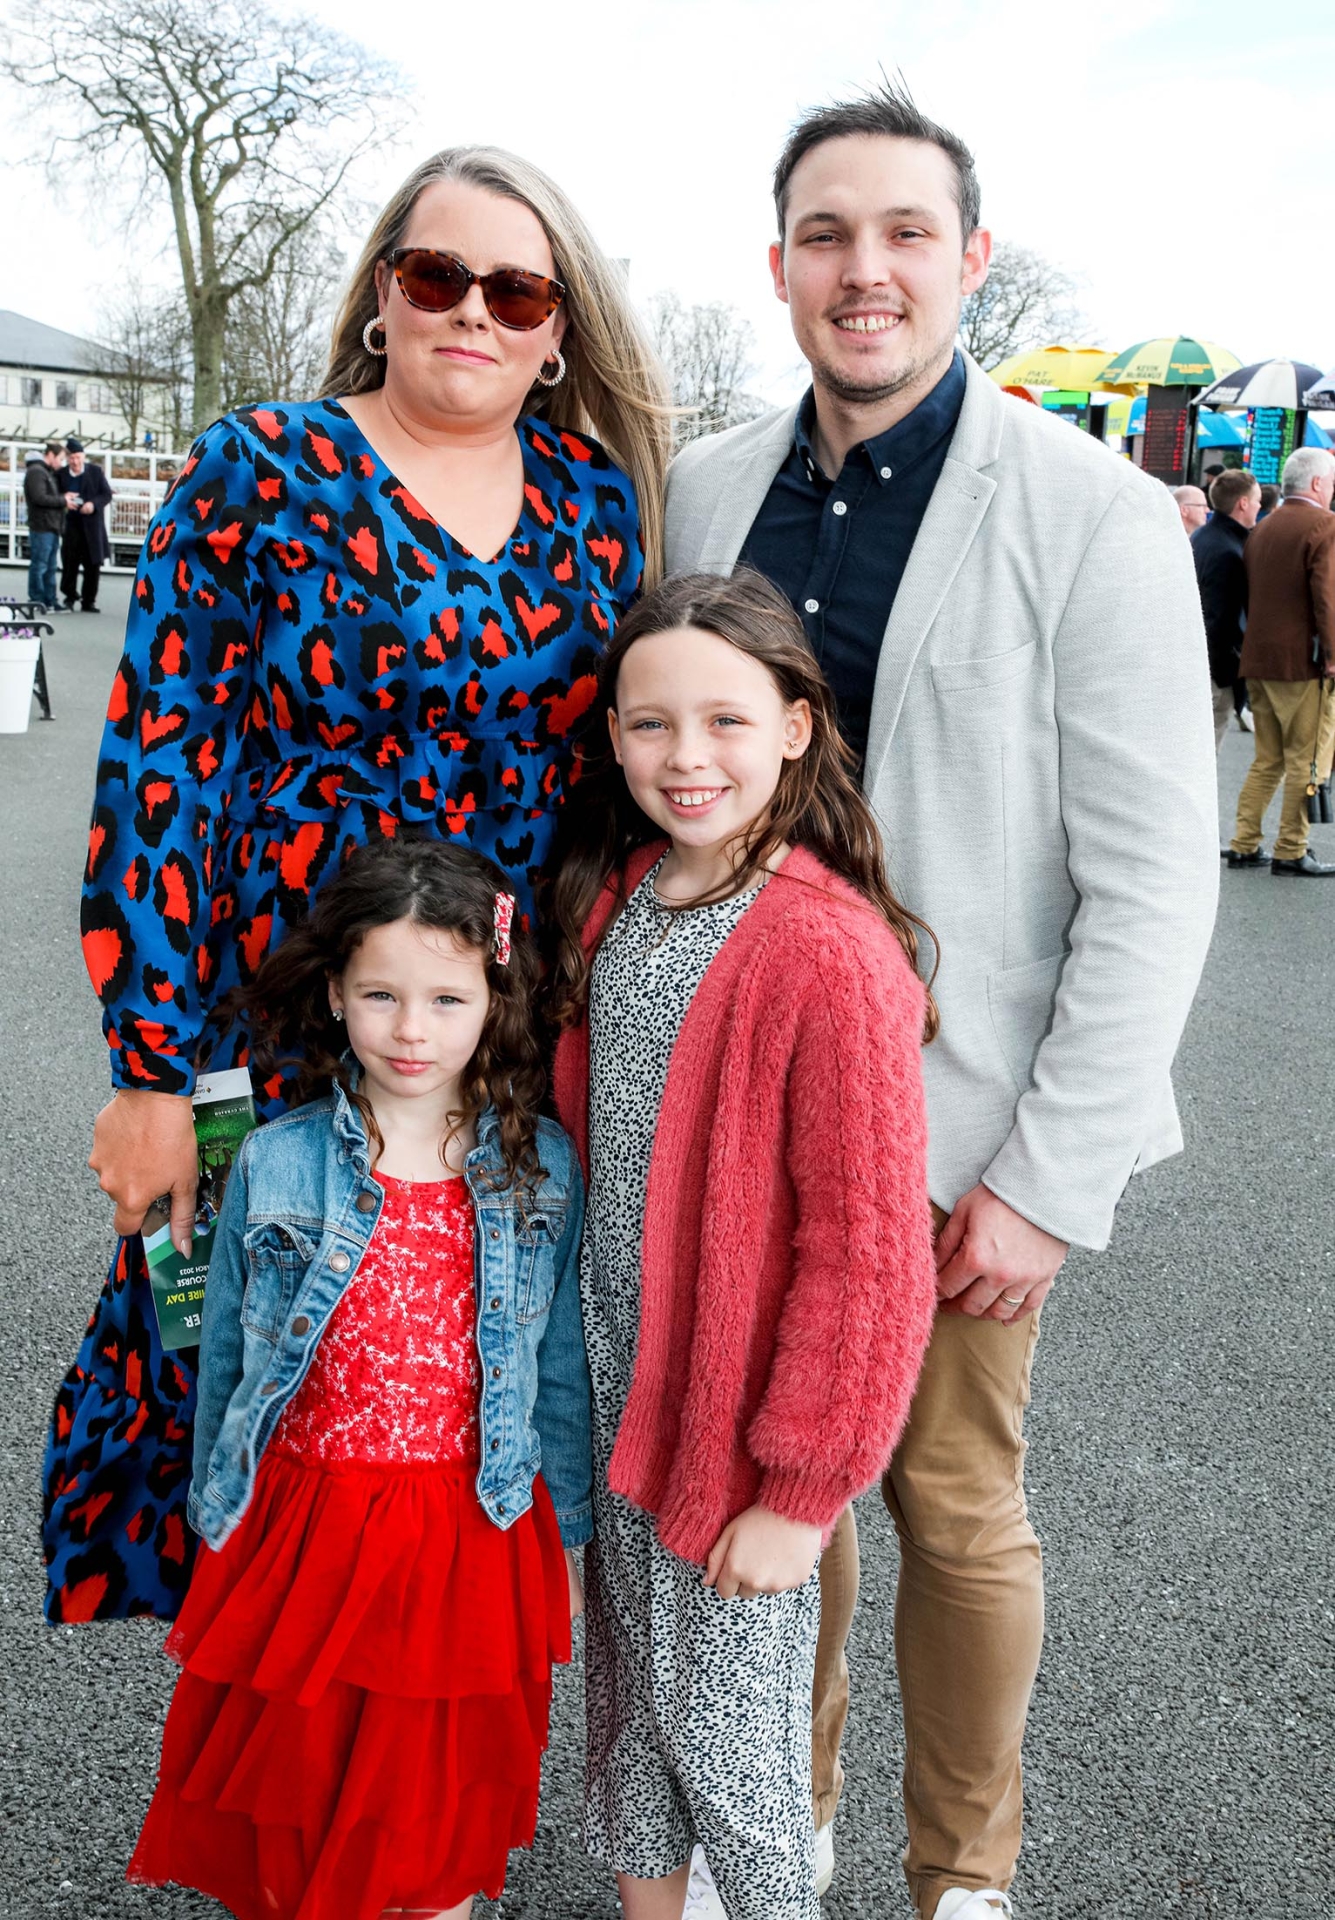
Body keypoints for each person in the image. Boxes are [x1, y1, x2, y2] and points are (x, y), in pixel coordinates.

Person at [664, 82, 1218, 1920]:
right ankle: (783, 1823)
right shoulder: (709, 484)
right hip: (742, 1094)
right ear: (780, 266)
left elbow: (1153, 880)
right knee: (763, 1501)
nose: (866, 269)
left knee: (951, 1509)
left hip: (964, 1123)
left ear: (968, 261)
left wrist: (1052, 1178)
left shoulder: (1099, 518)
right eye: (828, 234)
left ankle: (961, 1876)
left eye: (906, 233)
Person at [43, 144, 670, 1626]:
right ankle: (279, 1757)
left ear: (556, 328)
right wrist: (146, 1071)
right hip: (277, 1015)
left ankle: (409, 1747)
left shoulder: (590, 500)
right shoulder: (257, 469)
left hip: (485, 1030)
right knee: (261, 1373)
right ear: (383, 293)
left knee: (445, 1382)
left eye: (514, 289)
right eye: (435, 273)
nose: (472, 310)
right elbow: (158, 773)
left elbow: (610, 784)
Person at [548, 569, 938, 1920]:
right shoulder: (622, 899)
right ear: (609, 740)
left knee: (738, 1760)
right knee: (627, 1726)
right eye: (648, 725)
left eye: (723, 720)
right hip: (613, 1401)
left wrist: (802, 1487)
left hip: (725, 1439)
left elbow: (868, 1252)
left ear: (792, 723)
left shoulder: (825, 953)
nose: (684, 757)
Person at [128, 837, 590, 1920]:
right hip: (309, 1521)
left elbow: (554, 1369)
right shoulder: (276, 1163)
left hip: (467, 1529)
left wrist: (561, 1540)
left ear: (495, 997)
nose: (412, 1029)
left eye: (445, 997)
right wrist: (220, 1517)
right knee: (300, 1790)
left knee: (430, 1807)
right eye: (381, 994)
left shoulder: (541, 1169)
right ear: (335, 993)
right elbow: (235, 1364)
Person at [1227, 445, 1335, 877]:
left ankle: (1244, 842)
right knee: (1307, 759)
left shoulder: (1262, 528)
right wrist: (1331, 654)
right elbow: (1327, 598)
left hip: (1259, 657)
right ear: (1315, 483)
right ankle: (1292, 848)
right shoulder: (1324, 526)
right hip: (1302, 663)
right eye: (1330, 481)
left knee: (1266, 758)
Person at [1191, 469, 1260, 752]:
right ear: (1242, 503)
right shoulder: (1230, 552)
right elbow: (1221, 619)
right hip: (1215, 674)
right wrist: (1227, 674)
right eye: (1256, 500)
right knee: (1207, 755)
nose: (1259, 506)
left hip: (1199, 663)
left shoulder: (1202, 537)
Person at [57, 436, 113, 611]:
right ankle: (69, 596)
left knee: (92, 565)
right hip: (71, 524)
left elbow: (106, 494)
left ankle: (89, 600)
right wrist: (64, 500)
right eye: (72, 458)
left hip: (92, 525)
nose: (75, 462)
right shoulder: (60, 475)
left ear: (83, 457)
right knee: (70, 563)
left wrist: (93, 505)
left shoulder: (95, 472)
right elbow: (55, 496)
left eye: (78, 458)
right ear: (67, 458)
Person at [23, 443, 65, 607]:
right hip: (42, 526)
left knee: (49, 566)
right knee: (41, 565)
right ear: (51, 455)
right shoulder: (37, 472)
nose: (61, 463)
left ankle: (49, 599)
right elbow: (39, 497)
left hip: (49, 526)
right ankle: (37, 599)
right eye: (60, 459)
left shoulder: (43, 472)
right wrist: (63, 500)